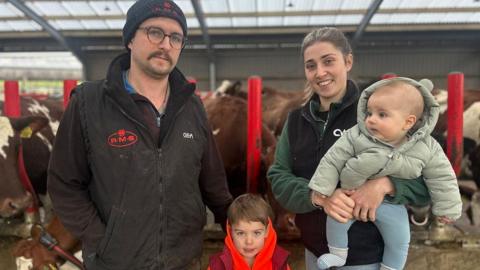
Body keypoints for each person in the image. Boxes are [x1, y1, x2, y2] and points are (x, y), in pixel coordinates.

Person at [47, 0, 233, 269]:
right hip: (113, 262)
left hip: (183, 260)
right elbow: (64, 184)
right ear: (130, 39)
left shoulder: (192, 106)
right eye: (155, 32)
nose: (165, 44)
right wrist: (101, 239)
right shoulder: (88, 102)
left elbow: (213, 184)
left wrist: (238, 226)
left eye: (176, 37)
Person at [267, 27, 432, 270]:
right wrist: (319, 196)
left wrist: (384, 185)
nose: (320, 72)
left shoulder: (378, 113)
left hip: (369, 259)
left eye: (328, 61)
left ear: (348, 61)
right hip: (316, 256)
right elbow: (278, 177)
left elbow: (430, 178)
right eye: (311, 65)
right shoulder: (296, 121)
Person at [309, 77, 462, 270]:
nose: (371, 119)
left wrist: (447, 208)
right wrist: (322, 187)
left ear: (408, 122)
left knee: (400, 239)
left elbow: (443, 177)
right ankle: (338, 254)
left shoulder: (427, 147)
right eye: (370, 112)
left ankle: (391, 267)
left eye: (382, 115)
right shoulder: (356, 135)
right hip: (351, 195)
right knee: (336, 219)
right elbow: (333, 159)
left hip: (392, 204)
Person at [208, 193, 290, 270]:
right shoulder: (218, 266)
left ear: (267, 231)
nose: (249, 241)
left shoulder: (279, 263)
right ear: (230, 232)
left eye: (256, 233)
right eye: (240, 233)